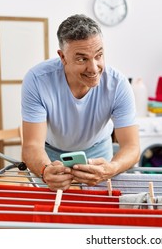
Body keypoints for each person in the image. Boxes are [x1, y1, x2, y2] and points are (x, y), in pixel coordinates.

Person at [21, 14, 140, 191]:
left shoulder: (118, 84)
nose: (93, 68)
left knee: (98, 211)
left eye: (98, 55)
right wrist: (45, 170)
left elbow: (132, 146)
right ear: (62, 57)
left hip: (98, 151)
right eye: (82, 59)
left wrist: (111, 168)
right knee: (51, 211)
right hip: (50, 154)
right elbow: (31, 146)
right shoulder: (37, 80)